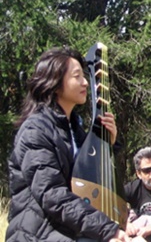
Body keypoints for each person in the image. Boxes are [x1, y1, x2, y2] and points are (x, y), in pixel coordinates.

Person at [6, 47, 129, 242]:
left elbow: (87, 182)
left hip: (68, 229)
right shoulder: (35, 131)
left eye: (84, 76)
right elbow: (52, 195)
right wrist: (108, 230)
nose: (85, 82)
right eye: (77, 76)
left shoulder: (74, 127)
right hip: (38, 233)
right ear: (54, 84)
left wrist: (109, 145)